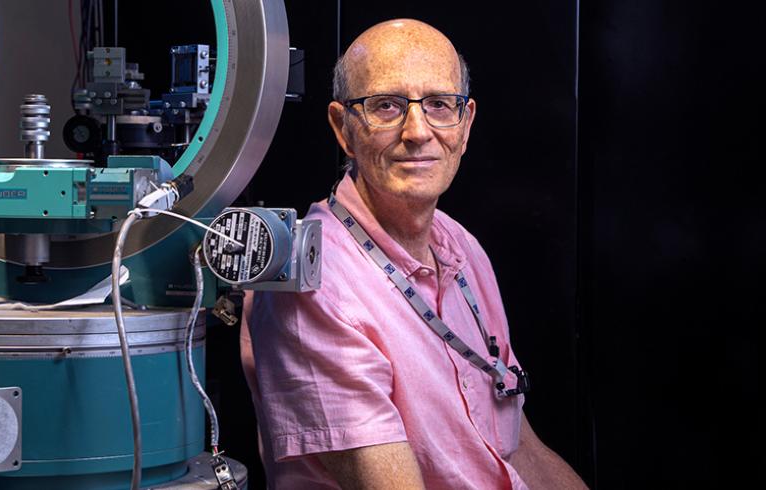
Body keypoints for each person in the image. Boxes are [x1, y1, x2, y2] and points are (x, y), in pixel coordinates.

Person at [240, 19, 588, 489]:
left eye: (440, 105)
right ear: (343, 129)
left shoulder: (461, 248)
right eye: (387, 106)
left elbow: (515, 443)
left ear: (464, 127)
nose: (418, 132)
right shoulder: (315, 283)